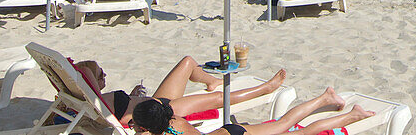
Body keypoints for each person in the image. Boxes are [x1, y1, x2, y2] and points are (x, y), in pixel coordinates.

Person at [77, 57, 289, 130]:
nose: (104, 75)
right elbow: (87, 69)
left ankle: (212, 80)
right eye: (100, 73)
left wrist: (131, 96)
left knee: (188, 62)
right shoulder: (96, 95)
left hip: (151, 103)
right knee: (218, 99)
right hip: (161, 109)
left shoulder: (91, 98)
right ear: (92, 78)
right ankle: (265, 88)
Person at [131, 88, 373, 135]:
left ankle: (354, 115)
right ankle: (324, 98)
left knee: (302, 133)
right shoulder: (171, 117)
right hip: (230, 130)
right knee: (285, 123)